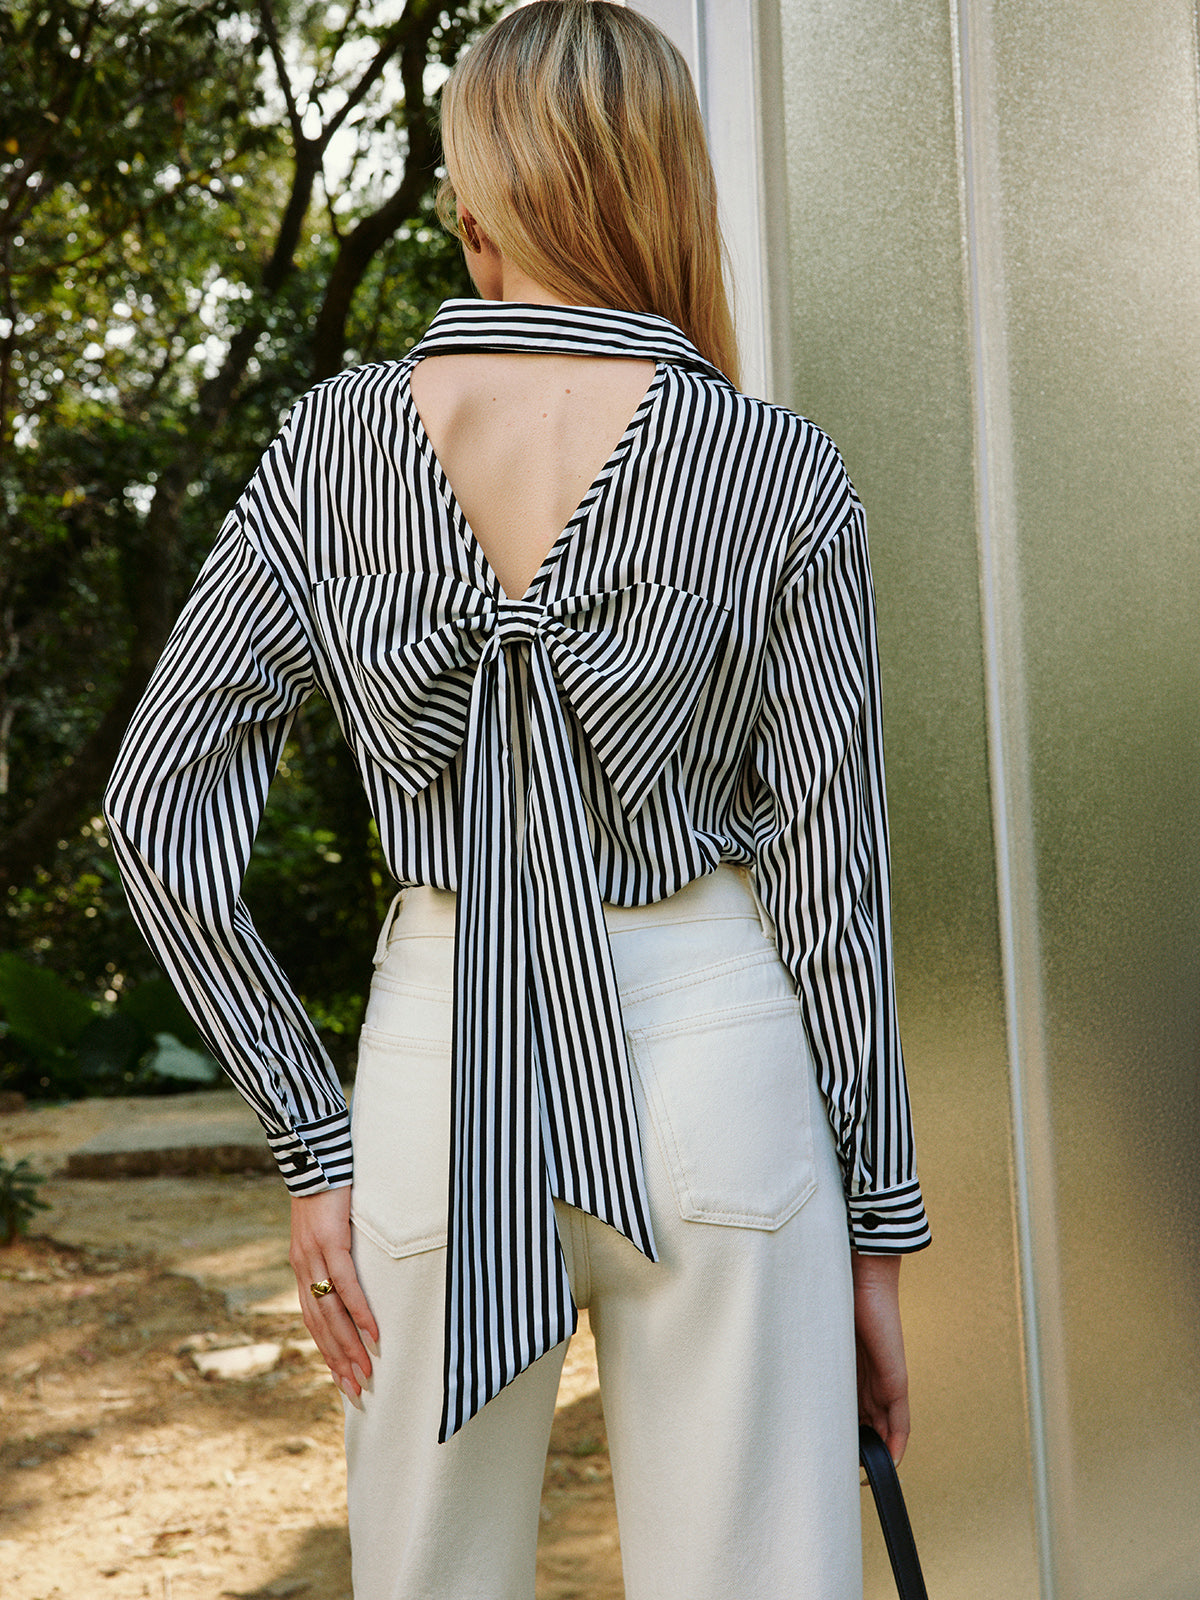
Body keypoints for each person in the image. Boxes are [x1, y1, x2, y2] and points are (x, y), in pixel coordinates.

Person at [104, 3, 930, 1596]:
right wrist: (877, 1235)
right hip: (715, 1048)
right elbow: (835, 881)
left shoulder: (334, 446)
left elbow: (155, 805)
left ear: (477, 198)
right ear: (666, 187)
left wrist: (312, 1140)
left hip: (437, 1062)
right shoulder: (774, 466)